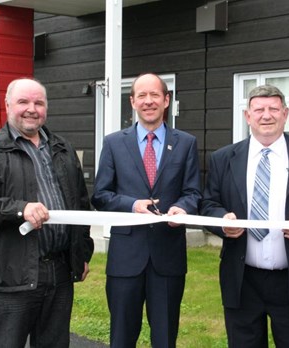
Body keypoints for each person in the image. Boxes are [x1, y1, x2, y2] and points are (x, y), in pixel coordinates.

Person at [0, 78, 94, 348]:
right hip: (12, 274)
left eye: (38, 103)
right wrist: (20, 209)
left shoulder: (63, 150)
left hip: (59, 273)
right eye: (23, 102)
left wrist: (82, 253)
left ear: (46, 108)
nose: (32, 109)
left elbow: (80, 204)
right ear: (8, 105)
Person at [199, 84, 289, 347]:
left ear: (285, 114)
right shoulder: (223, 158)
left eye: (273, 108)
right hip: (242, 280)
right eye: (259, 109)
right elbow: (208, 203)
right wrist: (221, 221)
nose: (266, 115)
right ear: (247, 116)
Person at [91, 73, 201, 348]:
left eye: (155, 95)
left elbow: (193, 192)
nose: (148, 101)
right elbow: (101, 195)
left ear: (166, 100)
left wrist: (181, 208)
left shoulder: (186, 143)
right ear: (133, 101)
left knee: (165, 338)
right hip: (126, 256)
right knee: (121, 337)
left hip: (168, 255)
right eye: (142, 95)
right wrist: (131, 204)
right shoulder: (114, 143)